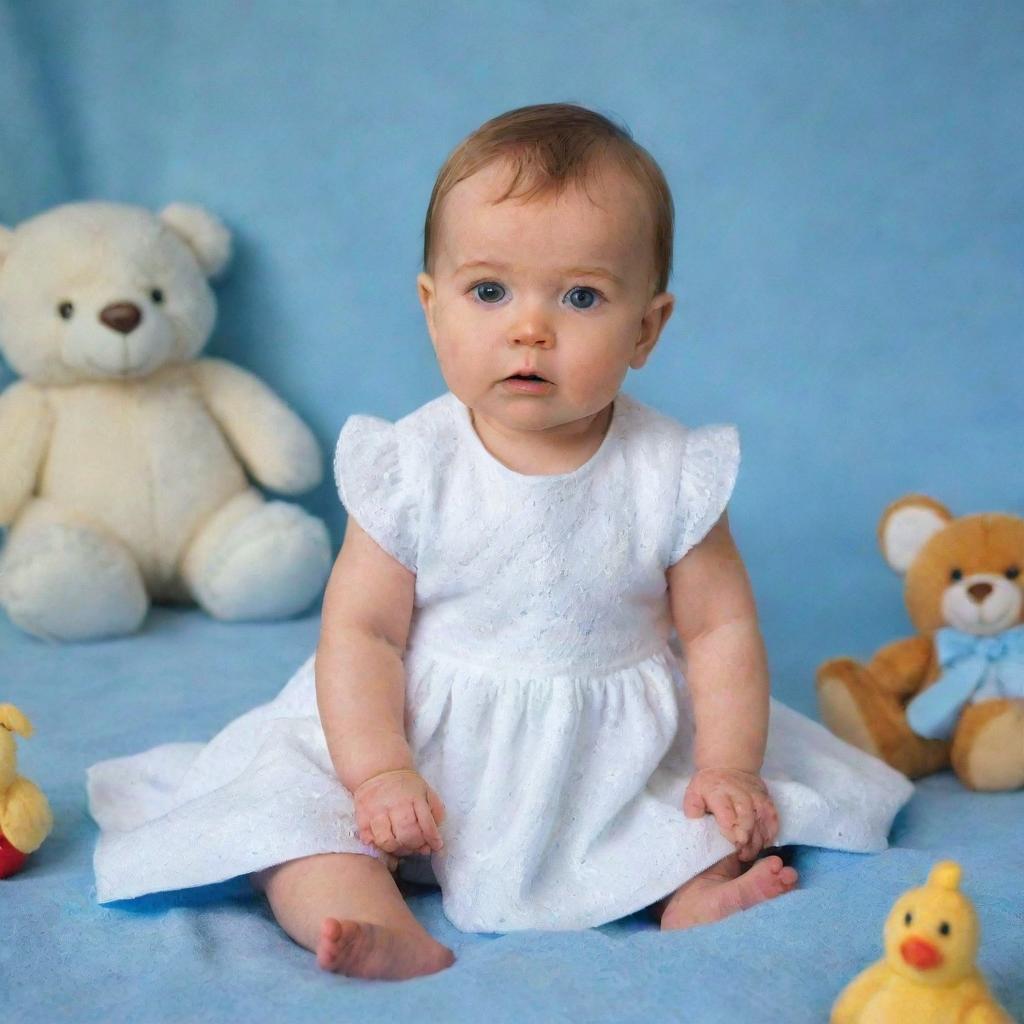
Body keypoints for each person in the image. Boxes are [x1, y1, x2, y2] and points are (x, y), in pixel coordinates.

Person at [88, 102, 914, 980]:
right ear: (433, 308)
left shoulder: (670, 472)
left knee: (709, 817)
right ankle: (368, 916)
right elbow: (362, 634)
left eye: (582, 296)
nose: (530, 328)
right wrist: (377, 775)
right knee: (294, 824)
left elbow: (719, 631)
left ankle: (687, 892)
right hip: (416, 733)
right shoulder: (413, 467)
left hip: (600, 752)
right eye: (490, 291)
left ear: (647, 327)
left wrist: (729, 764)